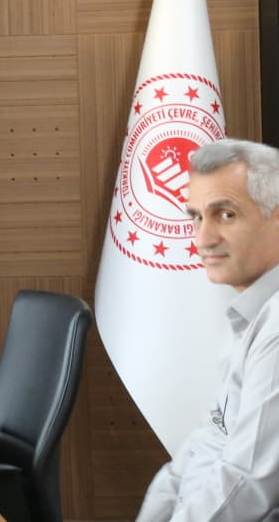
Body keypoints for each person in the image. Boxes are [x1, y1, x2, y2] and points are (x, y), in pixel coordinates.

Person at [137, 139, 279, 520]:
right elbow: (202, 449)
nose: (202, 239)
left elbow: (246, 484)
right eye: (197, 217)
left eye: (226, 215)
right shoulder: (254, 312)